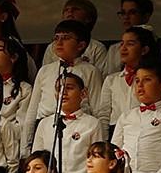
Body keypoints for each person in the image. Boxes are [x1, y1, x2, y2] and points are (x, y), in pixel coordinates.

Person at [32, 73, 103, 173]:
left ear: (83, 93)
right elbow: (36, 159)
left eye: (69, 88)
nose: (63, 93)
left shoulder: (92, 124)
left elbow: (99, 161)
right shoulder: (45, 123)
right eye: (59, 89)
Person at [24, 20, 103, 149]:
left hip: (79, 127)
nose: (59, 42)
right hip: (45, 126)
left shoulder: (90, 71)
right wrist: (26, 146)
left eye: (66, 38)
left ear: (81, 45)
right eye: (56, 38)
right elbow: (32, 111)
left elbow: (97, 109)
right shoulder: (45, 71)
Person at [97, 27, 157, 134]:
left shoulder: (154, 78)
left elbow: (159, 107)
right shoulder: (112, 80)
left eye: (130, 44)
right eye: (122, 44)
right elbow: (104, 114)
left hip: (145, 129)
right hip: (115, 131)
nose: (123, 48)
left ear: (144, 50)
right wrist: (105, 139)